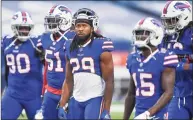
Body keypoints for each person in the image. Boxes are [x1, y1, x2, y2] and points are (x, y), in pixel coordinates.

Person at [58, 8, 114, 119]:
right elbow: (68, 80)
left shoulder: (101, 45)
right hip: (76, 98)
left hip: (95, 98)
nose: (80, 29)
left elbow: (109, 81)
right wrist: (62, 104)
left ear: (92, 27)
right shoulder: (69, 46)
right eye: (78, 26)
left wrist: (106, 109)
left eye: (84, 26)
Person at [123, 17, 178, 119]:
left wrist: (148, 113)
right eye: (138, 33)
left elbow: (168, 92)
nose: (139, 36)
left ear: (156, 35)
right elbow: (131, 94)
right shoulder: (132, 58)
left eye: (145, 33)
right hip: (139, 114)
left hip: (159, 115)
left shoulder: (165, 57)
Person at [34, 5, 75, 119]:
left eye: (54, 21)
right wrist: (44, 91)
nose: (50, 24)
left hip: (70, 93)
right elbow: (46, 66)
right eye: (50, 20)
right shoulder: (45, 38)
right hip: (51, 91)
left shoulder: (74, 38)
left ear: (66, 21)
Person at [1, 11, 43, 119]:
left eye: (27, 28)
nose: (24, 30)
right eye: (21, 27)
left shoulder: (37, 42)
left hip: (34, 95)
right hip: (12, 94)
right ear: (14, 27)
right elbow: (4, 68)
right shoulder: (6, 42)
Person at [160, 1, 193, 119]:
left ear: (185, 16)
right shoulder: (165, 38)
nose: (168, 24)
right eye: (167, 20)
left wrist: (182, 66)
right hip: (179, 95)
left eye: (172, 20)